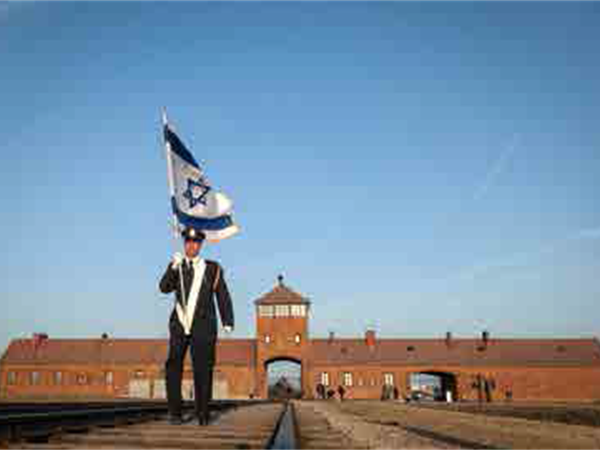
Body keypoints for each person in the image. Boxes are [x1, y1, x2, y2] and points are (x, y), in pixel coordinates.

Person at [159, 227, 234, 426]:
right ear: (184, 244)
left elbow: (222, 295)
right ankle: (175, 412)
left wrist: (228, 320)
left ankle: (202, 413)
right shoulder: (177, 265)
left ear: (200, 245)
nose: (191, 246)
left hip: (204, 326)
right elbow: (164, 288)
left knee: (203, 368)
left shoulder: (212, 268)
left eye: (195, 243)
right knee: (173, 366)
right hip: (179, 323)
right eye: (188, 242)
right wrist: (172, 268)